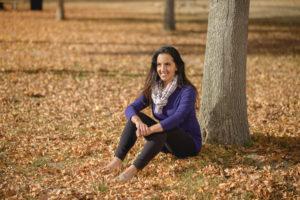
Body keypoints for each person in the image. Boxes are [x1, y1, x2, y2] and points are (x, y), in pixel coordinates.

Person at [104, 46, 202, 181]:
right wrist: (138, 122)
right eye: (159, 65)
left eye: (167, 64)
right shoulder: (155, 88)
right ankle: (117, 161)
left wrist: (150, 130)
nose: (163, 69)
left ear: (177, 66)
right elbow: (131, 108)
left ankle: (132, 171)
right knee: (136, 118)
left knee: (163, 129)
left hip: (188, 144)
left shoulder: (187, 90)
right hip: (165, 143)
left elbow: (178, 118)